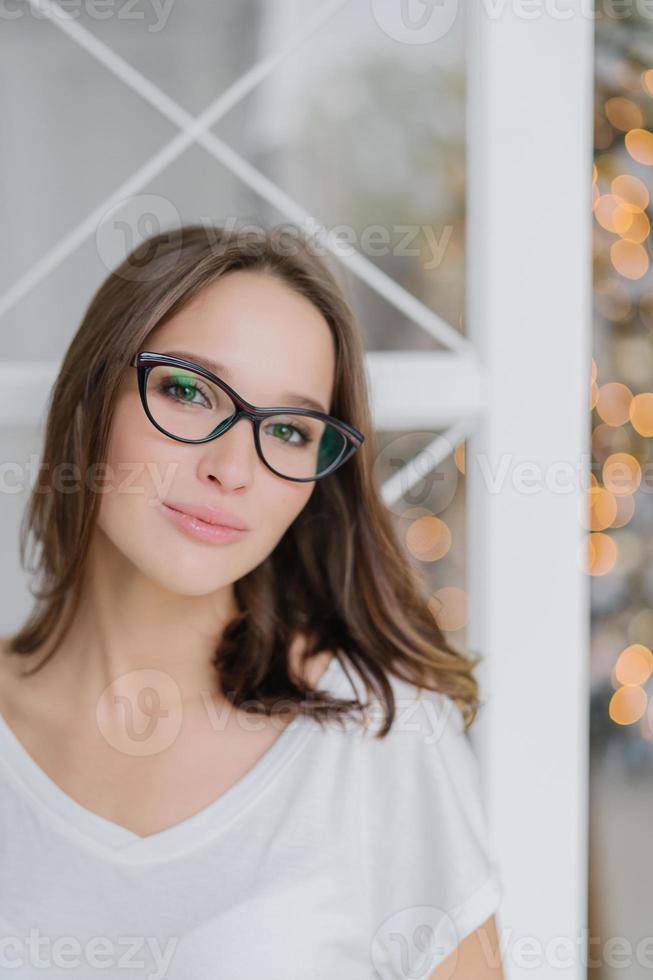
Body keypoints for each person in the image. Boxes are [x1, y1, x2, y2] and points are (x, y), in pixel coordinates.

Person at [0, 223, 504, 979]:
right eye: (187, 391)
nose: (234, 468)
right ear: (91, 394)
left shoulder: (382, 734)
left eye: (292, 431)